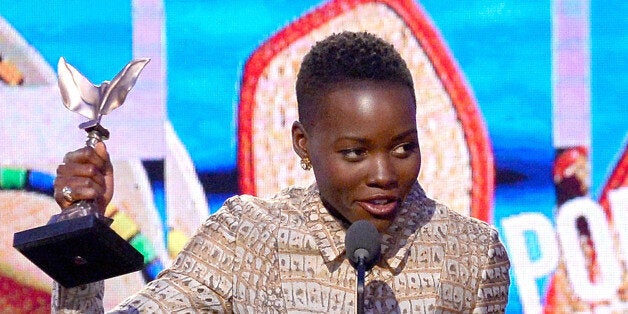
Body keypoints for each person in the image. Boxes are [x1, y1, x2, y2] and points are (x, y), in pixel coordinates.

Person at [52, 31, 510, 313]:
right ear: (303, 144)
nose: (385, 174)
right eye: (355, 153)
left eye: (404, 147)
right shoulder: (246, 239)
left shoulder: (470, 254)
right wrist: (81, 233)